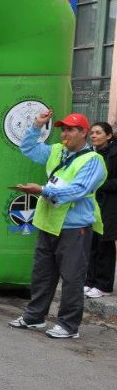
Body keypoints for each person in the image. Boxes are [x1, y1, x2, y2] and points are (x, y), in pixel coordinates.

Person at [9, 111, 106, 339]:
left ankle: (69, 325)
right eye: (63, 129)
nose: (65, 134)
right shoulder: (57, 151)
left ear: (84, 133)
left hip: (74, 227)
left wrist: (42, 190)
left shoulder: (93, 160)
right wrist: (36, 126)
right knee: (42, 274)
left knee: (72, 277)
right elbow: (28, 149)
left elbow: (79, 190)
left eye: (71, 130)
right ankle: (34, 317)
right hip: (47, 223)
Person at [86, 122, 117, 298]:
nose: (94, 136)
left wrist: (101, 184)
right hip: (93, 203)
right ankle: (90, 281)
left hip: (110, 205)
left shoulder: (115, 153)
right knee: (91, 243)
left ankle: (104, 285)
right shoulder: (91, 153)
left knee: (105, 244)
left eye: (98, 133)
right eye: (92, 133)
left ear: (109, 135)